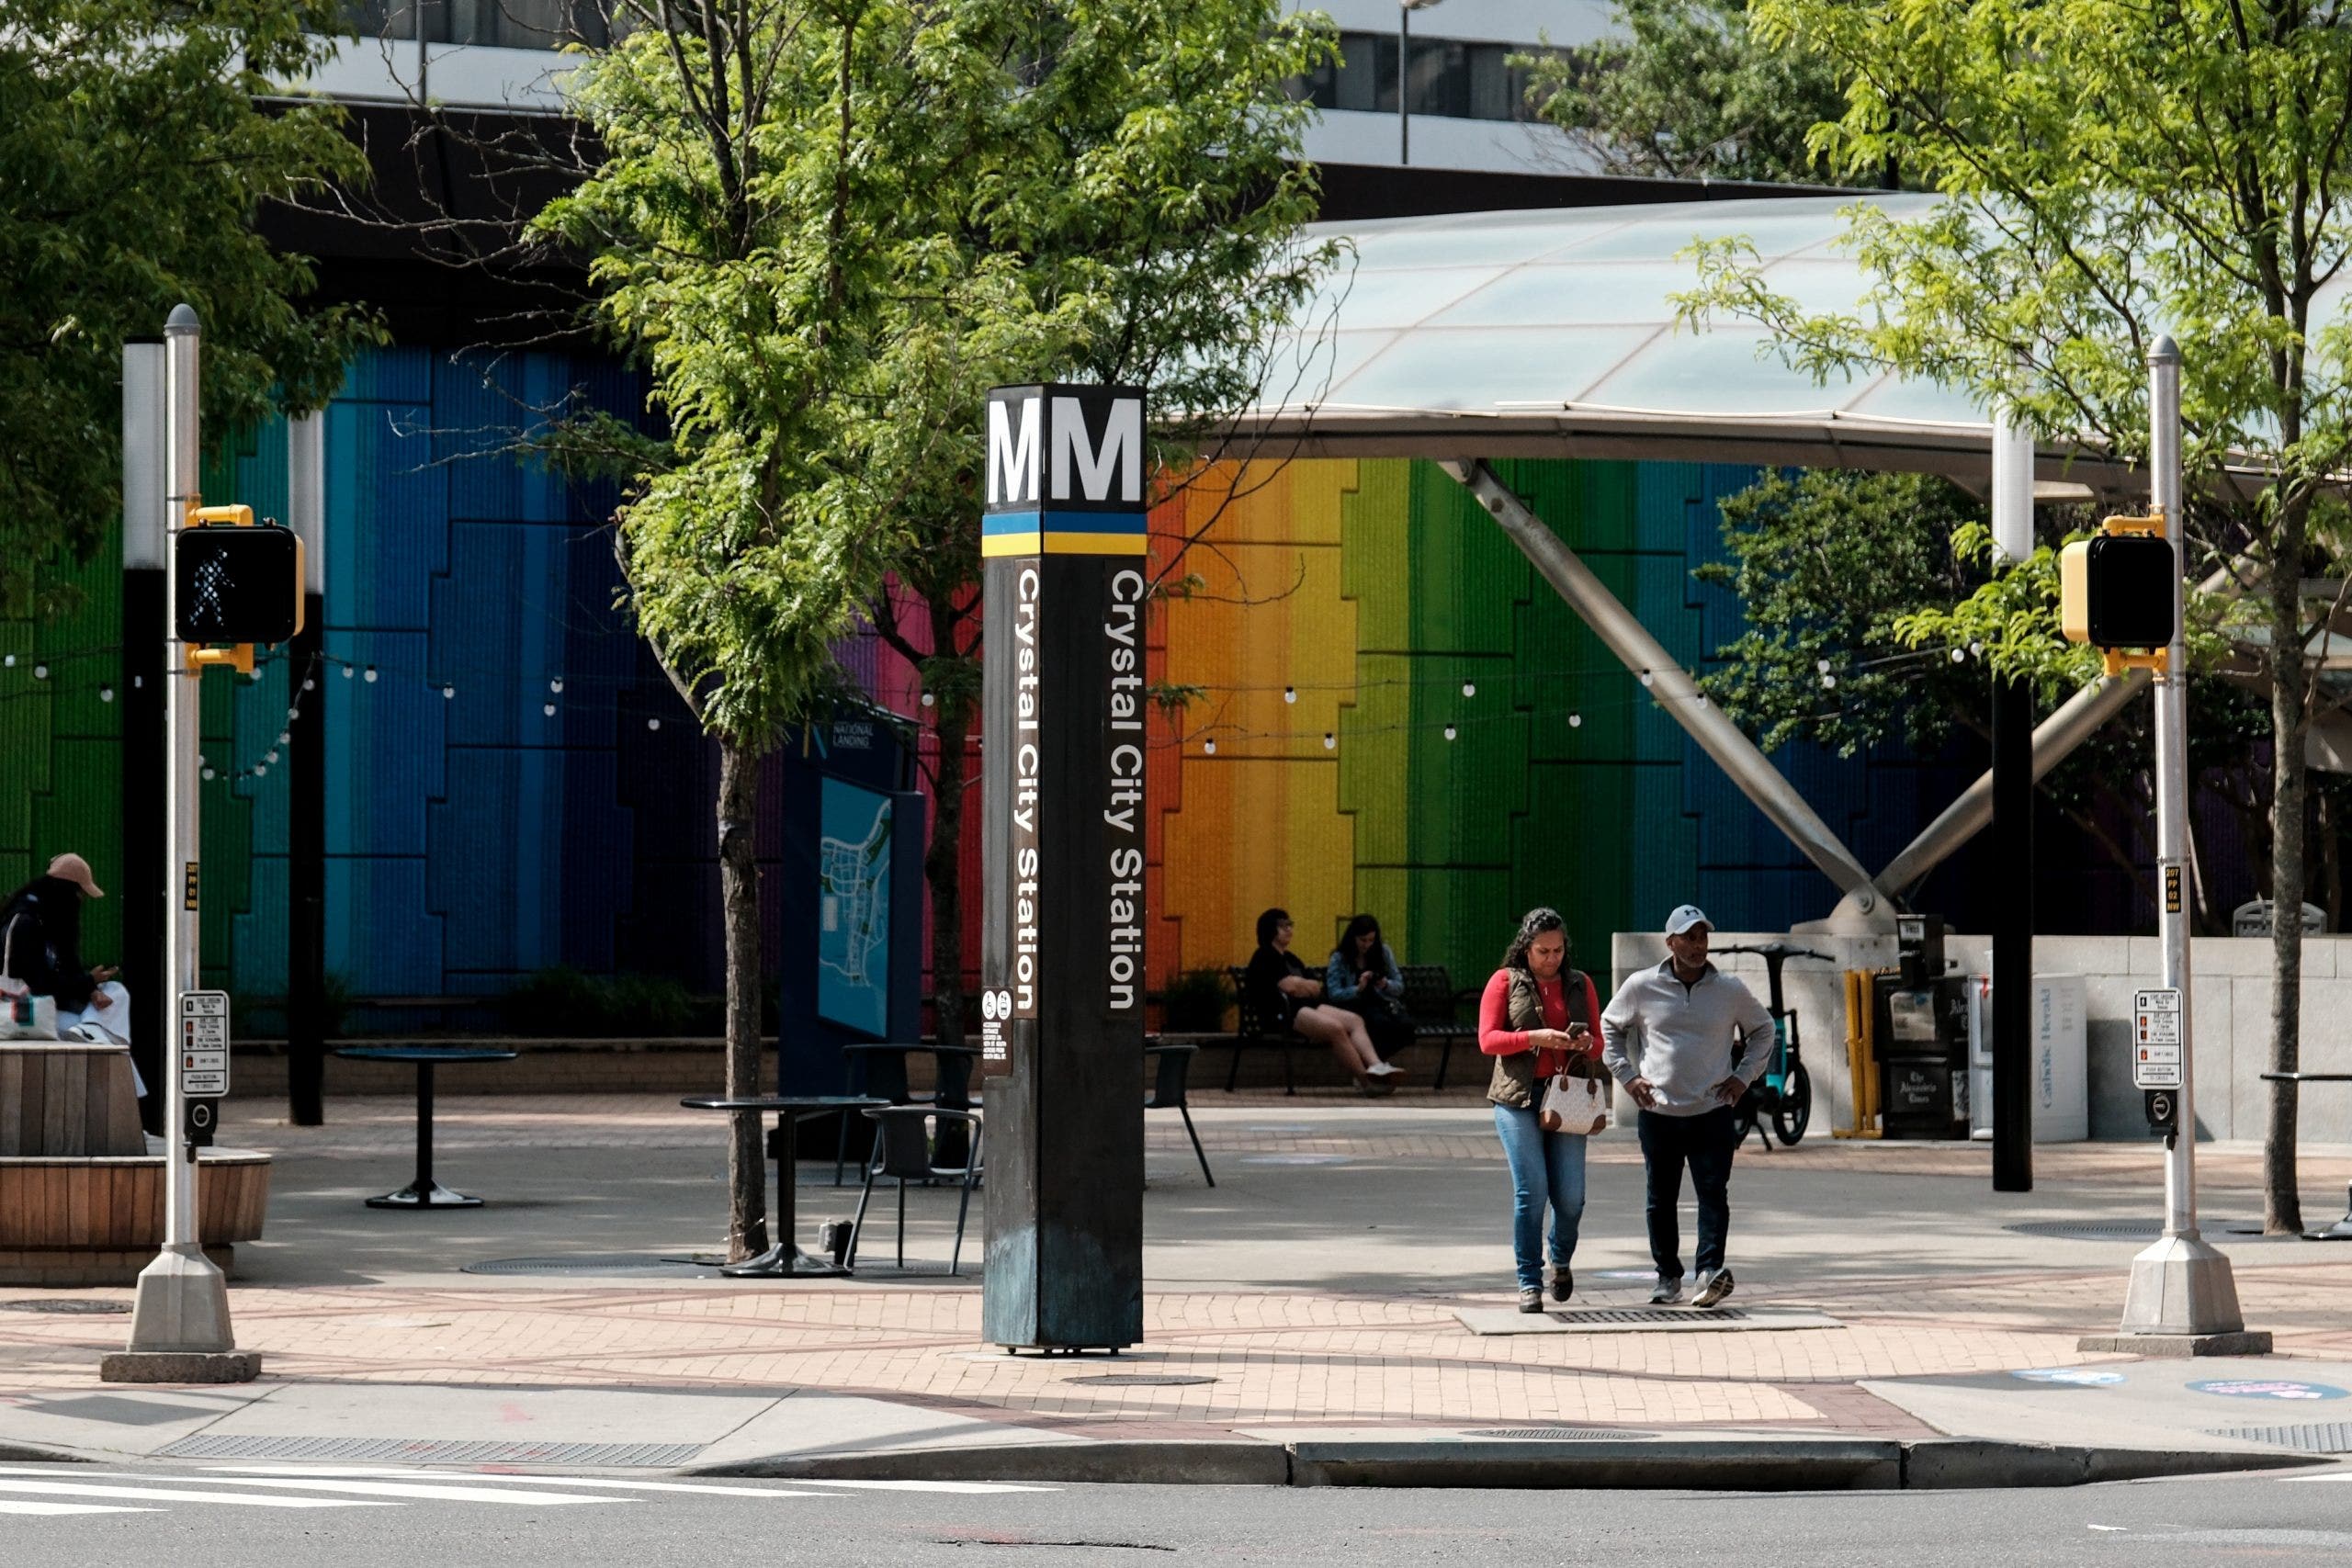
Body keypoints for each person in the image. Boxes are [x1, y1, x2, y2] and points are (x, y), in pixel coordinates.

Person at [1600, 904, 1774, 1309]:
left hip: (1712, 1112)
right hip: (1659, 1113)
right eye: (1689, 937)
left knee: (1713, 1193)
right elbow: (1609, 1025)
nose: (1698, 945)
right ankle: (1667, 1277)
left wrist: (1742, 1077)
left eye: (1703, 937)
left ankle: (1709, 1273)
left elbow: (1764, 1030)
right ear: (1670, 942)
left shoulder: (1729, 989)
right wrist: (1627, 1076)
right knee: (1660, 1198)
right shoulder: (1642, 986)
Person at [1479, 907, 1605, 1313]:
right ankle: (1529, 1281)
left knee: (1570, 1199)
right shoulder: (1505, 981)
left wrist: (1584, 1045)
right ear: (1526, 948)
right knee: (1531, 1192)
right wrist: (1535, 1036)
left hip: (1567, 1096)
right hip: (1517, 1097)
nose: (1551, 958)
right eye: (1542, 951)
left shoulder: (1580, 984)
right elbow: (1487, 1040)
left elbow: (1600, 1042)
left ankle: (1561, 1259)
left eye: (1557, 950)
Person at [1244, 908, 1402, 1094]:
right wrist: (1302, 986)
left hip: (1305, 1007)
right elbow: (1291, 987)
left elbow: (1317, 986)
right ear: (1269, 929)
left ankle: (1376, 1067)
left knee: (1355, 1020)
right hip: (1281, 1014)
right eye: (1282, 926)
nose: (1289, 930)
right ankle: (1366, 1081)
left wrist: (1303, 985)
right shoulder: (1264, 956)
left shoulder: (1290, 958)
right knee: (1335, 1028)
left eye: (1290, 925)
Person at [0, 853, 137, 1055]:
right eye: (79, 893)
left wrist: (92, 989)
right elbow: (42, 986)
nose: (81, 900)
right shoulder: (25, 923)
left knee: (116, 991)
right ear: (65, 892)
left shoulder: (55, 923)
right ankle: (91, 1031)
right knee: (111, 1044)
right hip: (29, 1013)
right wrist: (88, 982)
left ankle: (90, 1030)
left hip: (57, 1009)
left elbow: (68, 971)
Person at [1323, 913, 1413, 1064]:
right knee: (1377, 1024)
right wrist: (1357, 989)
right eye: (1362, 940)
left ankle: (1372, 1063)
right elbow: (1334, 993)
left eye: (1371, 940)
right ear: (1353, 938)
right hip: (1353, 1005)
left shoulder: (1383, 952)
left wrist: (1385, 984)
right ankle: (1374, 1065)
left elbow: (1399, 985)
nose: (1366, 945)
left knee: (1406, 1027)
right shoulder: (1340, 958)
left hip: (1380, 1002)